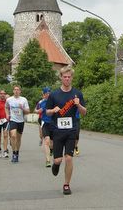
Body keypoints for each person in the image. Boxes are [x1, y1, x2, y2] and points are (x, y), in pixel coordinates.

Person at [46, 66, 87, 195]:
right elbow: (47, 112)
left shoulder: (77, 94)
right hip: (57, 131)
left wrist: (78, 104)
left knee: (69, 158)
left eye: (69, 77)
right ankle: (56, 164)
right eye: (65, 77)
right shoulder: (54, 94)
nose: (67, 79)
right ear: (61, 78)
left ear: (72, 78)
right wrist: (53, 110)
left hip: (71, 130)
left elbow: (84, 112)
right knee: (58, 160)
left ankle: (66, 184)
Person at [5, 85, 30, 163]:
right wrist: (7, 115)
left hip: (21, 121)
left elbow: (28, 111)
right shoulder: (9, 99)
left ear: (20, 91)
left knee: (18, 139)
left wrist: (22, 108)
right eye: (15, 89)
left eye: (18, 90)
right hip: (13, 120)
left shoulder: (23, 100)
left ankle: (17, 153)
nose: (16, 91)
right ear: (13, 91)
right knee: (13, 135)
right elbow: (6, 107)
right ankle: (14, 154)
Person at [35, 87, 53, 167]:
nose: (47, 95)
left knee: (52, 143)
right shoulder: (41, 102)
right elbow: (35, 110)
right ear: (44, 94)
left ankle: (51, 150)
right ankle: (48, 160)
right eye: (46, 94)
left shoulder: (54, 102)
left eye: (49, 93)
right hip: (45, 123)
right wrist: (38, 111)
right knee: (47, 140)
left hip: (53, 124)